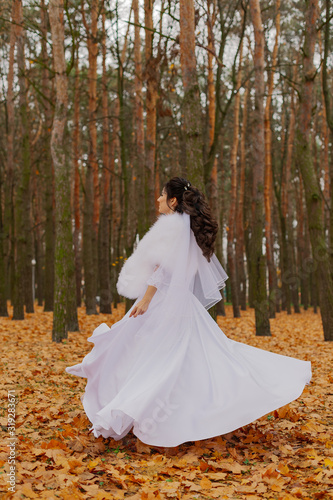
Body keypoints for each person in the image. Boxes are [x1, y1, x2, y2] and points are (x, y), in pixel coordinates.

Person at [66, 176, 311, 447]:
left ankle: (135, 410)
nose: (157, 199)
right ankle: (166, 412)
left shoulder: (172, 227)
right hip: (180, 304)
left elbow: (163, 268)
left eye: (162, 195)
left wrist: (146, 300)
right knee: (185, 357)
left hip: (165, 302)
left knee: (150, 355)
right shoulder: (186, 229)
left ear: (173, 200)